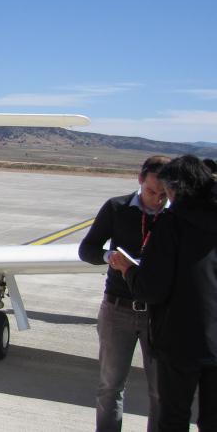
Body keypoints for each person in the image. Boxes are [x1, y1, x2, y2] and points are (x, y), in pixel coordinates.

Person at [115, 155, 217, 431]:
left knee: (173, 416)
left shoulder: (172, 224)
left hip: (179, 340)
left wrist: (127, 270)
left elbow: (152, 289)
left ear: (176, 188)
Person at [78, 155, 169, 431]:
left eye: (164, 195)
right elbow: (87, 249)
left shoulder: (175, 215)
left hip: (160, 314)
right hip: (118, 310)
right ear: (141, 180)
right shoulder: (116, 208)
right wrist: (110, 258)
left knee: (162, 392)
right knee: (110, 387)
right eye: (152, 192)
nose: (157, 199)